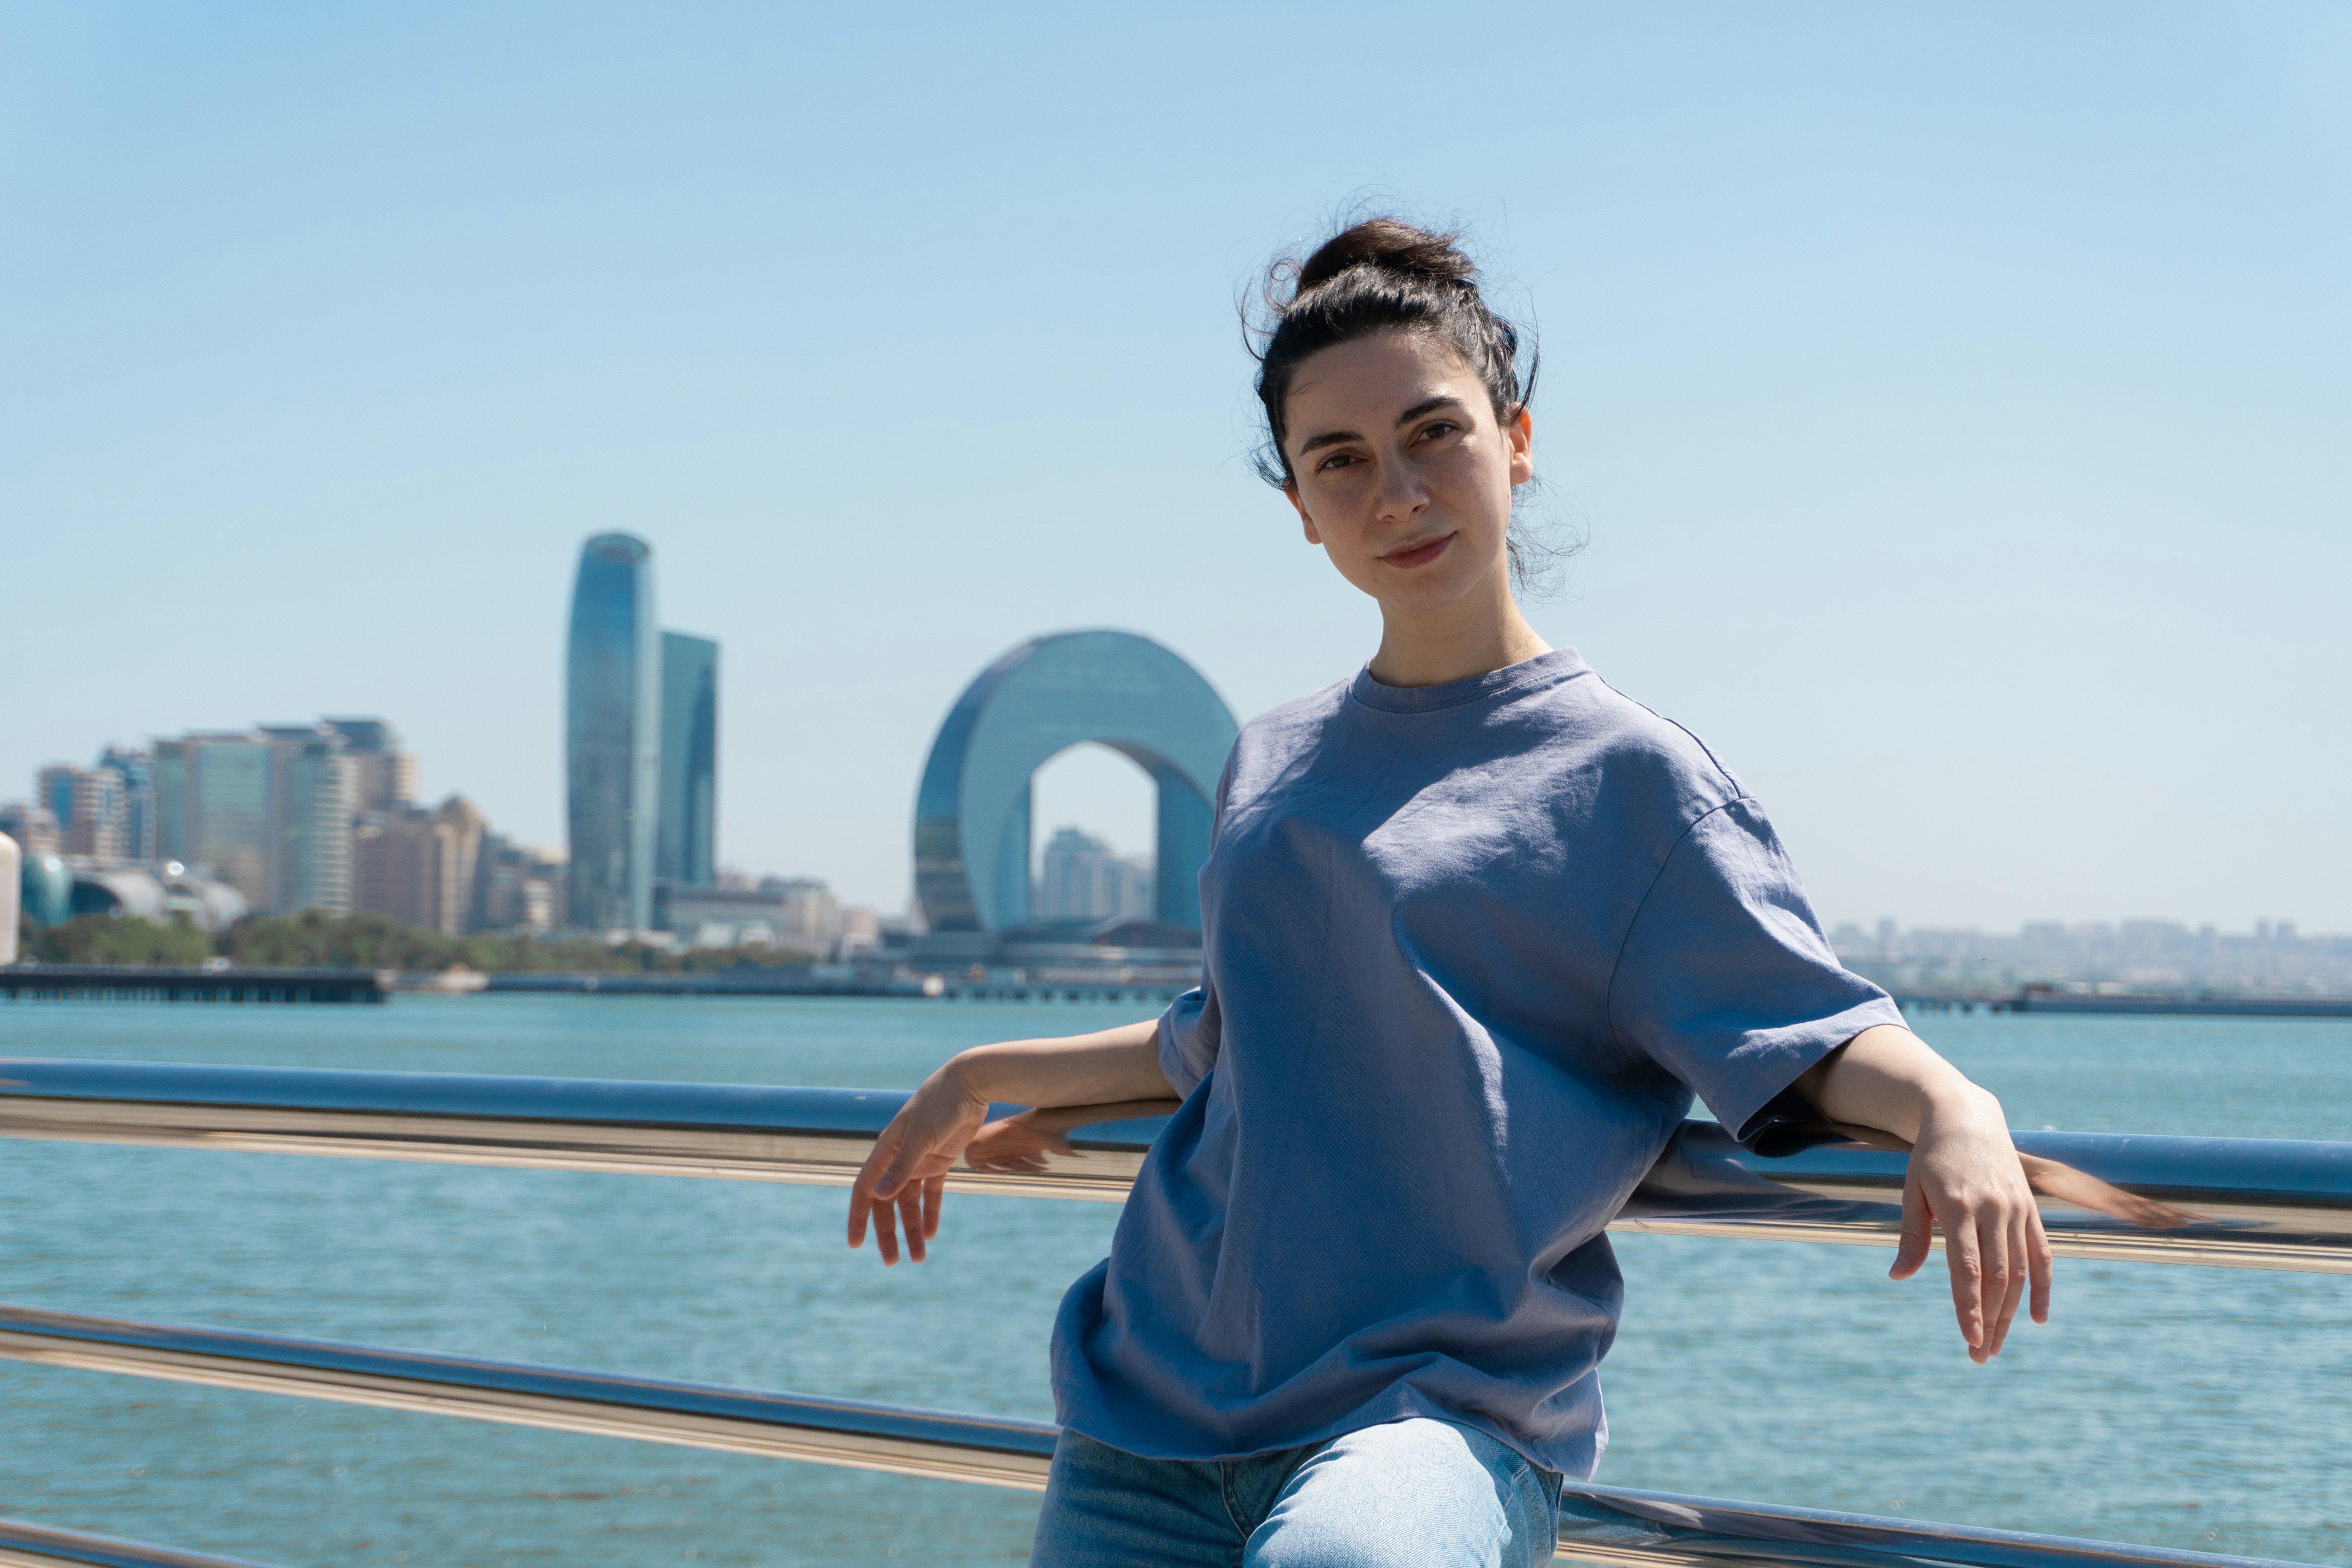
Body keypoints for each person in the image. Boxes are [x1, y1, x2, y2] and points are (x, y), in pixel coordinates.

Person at [846, 218, 2052, 1568]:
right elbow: (1233, 1044)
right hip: (1151, 1408)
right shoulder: (1273, 758)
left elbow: (1803, 1027)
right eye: (1342, 462)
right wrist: (981, 1072)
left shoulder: (1631, 779)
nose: (1398, 494)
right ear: (1300, 510)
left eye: (1434, 435)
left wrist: (1956, 1106)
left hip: (1436, 1422)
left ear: (1516, 441)